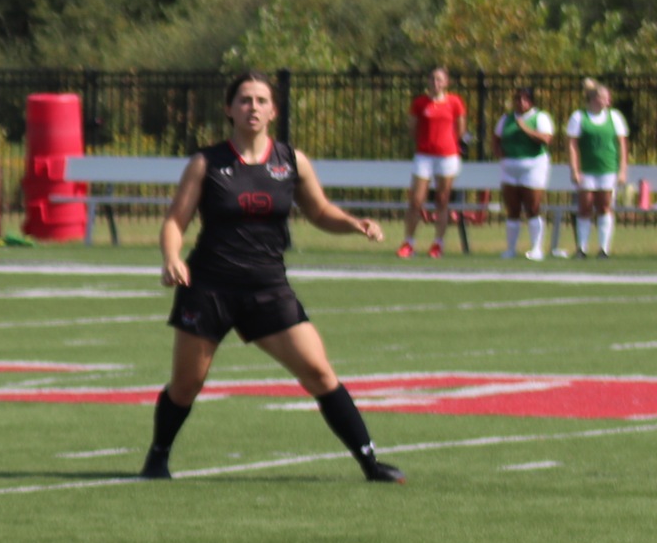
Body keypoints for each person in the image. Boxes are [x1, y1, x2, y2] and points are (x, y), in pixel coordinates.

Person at [144, 71, 406, 484]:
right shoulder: (206, 163)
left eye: (261, 100)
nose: (253, 107)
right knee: (186, 385)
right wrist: (172, 257)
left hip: (268, 288)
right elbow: (175, 221)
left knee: (319, 372)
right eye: (244, 100)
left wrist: (354, 223)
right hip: (210, 289)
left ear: (273, 111)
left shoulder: (291, 161)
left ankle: (370, 462)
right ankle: (157, 458)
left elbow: (320, 212)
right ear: (229, 110)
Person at [399, 66, 466, 259]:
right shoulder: (420, 103)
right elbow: (413, 128)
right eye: (432, 79)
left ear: (446, 82)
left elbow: (460, 129)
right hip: (424, 156)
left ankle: (438, 243)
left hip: (447, 156)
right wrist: (425, 143)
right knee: (416, 200)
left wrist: (448, 144)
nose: (435, 83)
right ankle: (409, 242)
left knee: (442, 200)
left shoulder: (455, 102)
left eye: (439, 80)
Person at [564, 81, 628, 258]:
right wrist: (575, 169)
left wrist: (622, 170)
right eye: (604, 97)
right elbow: (572, 145)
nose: (608, 101)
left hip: (607, 169)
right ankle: (582, 248)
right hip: (587, 169)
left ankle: (604, 248)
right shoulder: (579, 117)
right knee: (585, 206)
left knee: (605, 206)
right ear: (593, 98)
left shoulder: (615, 117)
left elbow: (622, 145)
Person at [492, 86, 555, 261]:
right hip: (510, 166)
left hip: (533, 165)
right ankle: (510, 248)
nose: (521, 102)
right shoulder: (506, 118)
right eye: (518, 99)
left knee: (532, 207)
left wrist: (525, 128)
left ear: (531, 101)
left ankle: (536, 248)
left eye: (525, 99)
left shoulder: (540, 117)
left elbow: (546, 139)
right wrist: (498, 152)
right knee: (512, 208)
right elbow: (496, 138)